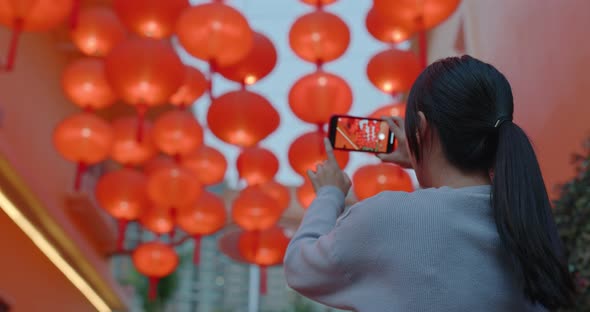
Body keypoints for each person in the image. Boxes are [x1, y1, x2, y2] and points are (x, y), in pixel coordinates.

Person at [283, 55, 577, 311]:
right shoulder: (526, 224)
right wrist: (423, 155)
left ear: (420, 128)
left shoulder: (385, 218)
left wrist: (329, 193)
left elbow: (300, 267)